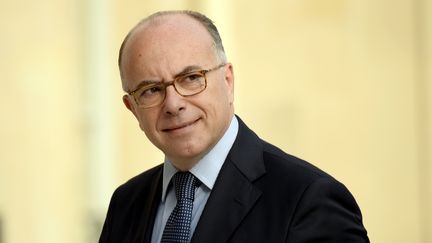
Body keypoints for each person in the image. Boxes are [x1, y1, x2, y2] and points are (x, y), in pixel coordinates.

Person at [99, 10, 369, 243]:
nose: (173, 104)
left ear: (227, 81)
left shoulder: (307, 199)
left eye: (191, 78)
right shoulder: (126, 204)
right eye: (151, 90)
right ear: (132, 109)